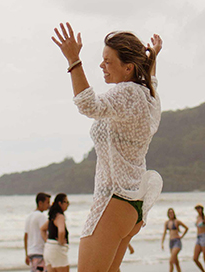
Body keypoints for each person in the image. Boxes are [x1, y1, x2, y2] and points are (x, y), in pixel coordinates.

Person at [51, 23, 163, 272]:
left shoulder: (127, 93)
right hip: (132, 206)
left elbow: (88, 105)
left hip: (112, 201)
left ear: (128, 67)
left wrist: (73, 60)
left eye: (107, 61)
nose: (102, 65)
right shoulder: (149, 95)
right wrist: (153, 56)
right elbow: (151, 77)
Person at [42, 193, 71, 272]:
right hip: (57, 250)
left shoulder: (52, 217)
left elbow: (42, 229)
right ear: (60, 203)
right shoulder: (60, 216)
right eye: (66, 202)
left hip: (48, 249)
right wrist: (61, 243)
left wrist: (47, 240)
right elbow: (61, 231)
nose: (68, 204)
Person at [25, 192, 51, 271]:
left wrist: (26, 253)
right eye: (47, 202)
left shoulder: (29, 217)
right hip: (40, 251)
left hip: (32, 252)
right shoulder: (41, 216)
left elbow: (26, 236)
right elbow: (45, 233)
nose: (49, 205)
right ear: (40, 203)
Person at [160, 208, 189, 272]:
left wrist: (181, 236)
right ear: (168, 214)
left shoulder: (177, 221)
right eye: (170, 213)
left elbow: (186, 228)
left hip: (177, 241)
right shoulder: (167, 223)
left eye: (172, 212)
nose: (171, 214)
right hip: (171, 242)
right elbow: (164, 233)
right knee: (176, 262)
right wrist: (162, 243)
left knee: (171, 261)